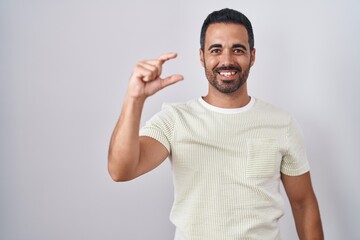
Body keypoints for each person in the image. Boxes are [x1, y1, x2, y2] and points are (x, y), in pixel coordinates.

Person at [108, 8, 324, 240]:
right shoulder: (174, 119)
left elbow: (303, 204)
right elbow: (121, 170)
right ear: (202, 56)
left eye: (238, 50)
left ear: (252, 55)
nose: (227, 60)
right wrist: (135, 99)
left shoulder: (282, 124)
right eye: (216, 50)